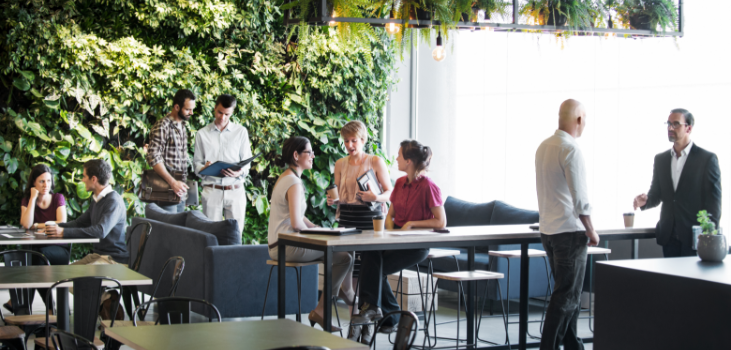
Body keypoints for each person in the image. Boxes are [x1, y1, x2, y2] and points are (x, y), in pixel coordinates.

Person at [349, 139, 446, 344]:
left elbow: (441, 221)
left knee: (375, 267)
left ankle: (383, 314)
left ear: (409, 161)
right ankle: (382, 313)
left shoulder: (429, 186)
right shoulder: (400, 183)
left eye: (400, 155)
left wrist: (412, 224)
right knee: (370, 254)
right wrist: (388, 236)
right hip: (396, 241)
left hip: (415, 247)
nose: (396, 159)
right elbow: (390, 215)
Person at [267, 136, 354, 332]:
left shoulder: (288, 177)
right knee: (343, 257)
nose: (313, 156)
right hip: (285, 247)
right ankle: (336, 300)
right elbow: (297, 224)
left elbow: (299, 217)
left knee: (345, 253)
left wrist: (316, 228)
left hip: (280, 244)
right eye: (309, 152)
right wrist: (319, 233)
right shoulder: (293, 183)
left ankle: (338, 296)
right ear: (296, 155)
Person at [535, 99, 599, 350]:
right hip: (569, 233)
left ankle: (574, 346)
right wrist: (591, 229)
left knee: (566, 295)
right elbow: (579, 196)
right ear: (579, 120)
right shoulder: (570, 149)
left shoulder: (543, 146)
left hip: (548, 232)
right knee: (567, 297)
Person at [633, 109, 722, 258]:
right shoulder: (661, 159)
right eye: (668, 124)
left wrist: (709, 237)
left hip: (695, 238)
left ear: (688, 128)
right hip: (669, 237)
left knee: (692, 281)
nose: (670, 128)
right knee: (670, 282)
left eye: (676, 124)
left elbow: (714, 203)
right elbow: (657, 193)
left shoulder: (706, 159)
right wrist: (645, 201)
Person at [326, 120, 393, 308]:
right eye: (346, 141)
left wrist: (376, 196)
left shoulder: (375, 161)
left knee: (363, 272)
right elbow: (338, 194)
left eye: (354, 141)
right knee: (347, 270)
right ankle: (356, 320)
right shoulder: (340, 164)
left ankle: (363, 320)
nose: (349, 145)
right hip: (346, 218)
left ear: (363, 140)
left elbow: (390, 192)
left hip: (369, 219)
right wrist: (332, 200)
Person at [8, 165, 68, 311]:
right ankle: (39, 308)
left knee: (34, 259)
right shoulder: (28, 200)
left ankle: (21, 304)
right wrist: (33, 198)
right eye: (41, 181)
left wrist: (37, 225)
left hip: (59, 250)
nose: (46, 185)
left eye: (48, 180)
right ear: (33, 183)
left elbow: (61, 222)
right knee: (30, 259)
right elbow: (26, 224)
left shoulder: (57, 198)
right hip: (37, 249)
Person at [46, 159, 128, 264]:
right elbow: (79, 223)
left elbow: (100, 231)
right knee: (64, 274)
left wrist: (63, 232)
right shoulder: (97, 200)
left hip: (113, 260)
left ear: (93, 179)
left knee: (70, 277)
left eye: (84, 176)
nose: (83, 180)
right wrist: (54, 228)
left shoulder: (113, 201)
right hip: (98, 256)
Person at [194, 94, 252, 237]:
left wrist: (239, 172)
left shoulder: (241, 132)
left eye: (227, 114)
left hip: (235, 190)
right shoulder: (202, 134)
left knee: (236, 236)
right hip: (212, 190)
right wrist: (204, 167)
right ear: (215, 108)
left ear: (232, 112)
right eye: (220, 112)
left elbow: (247, 163)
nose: (223, 117)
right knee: (210, 236)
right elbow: (196, 165)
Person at [146, 89, 196, 213]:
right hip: (165, 190)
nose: (192, 113)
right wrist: (172, 182)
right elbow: (153, 157)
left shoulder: (182, 126)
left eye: (192, 109)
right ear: (177, 107)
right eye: (188, 109)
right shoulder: (163, 126)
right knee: (168, 230)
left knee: (179, 230)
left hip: (179, 191)